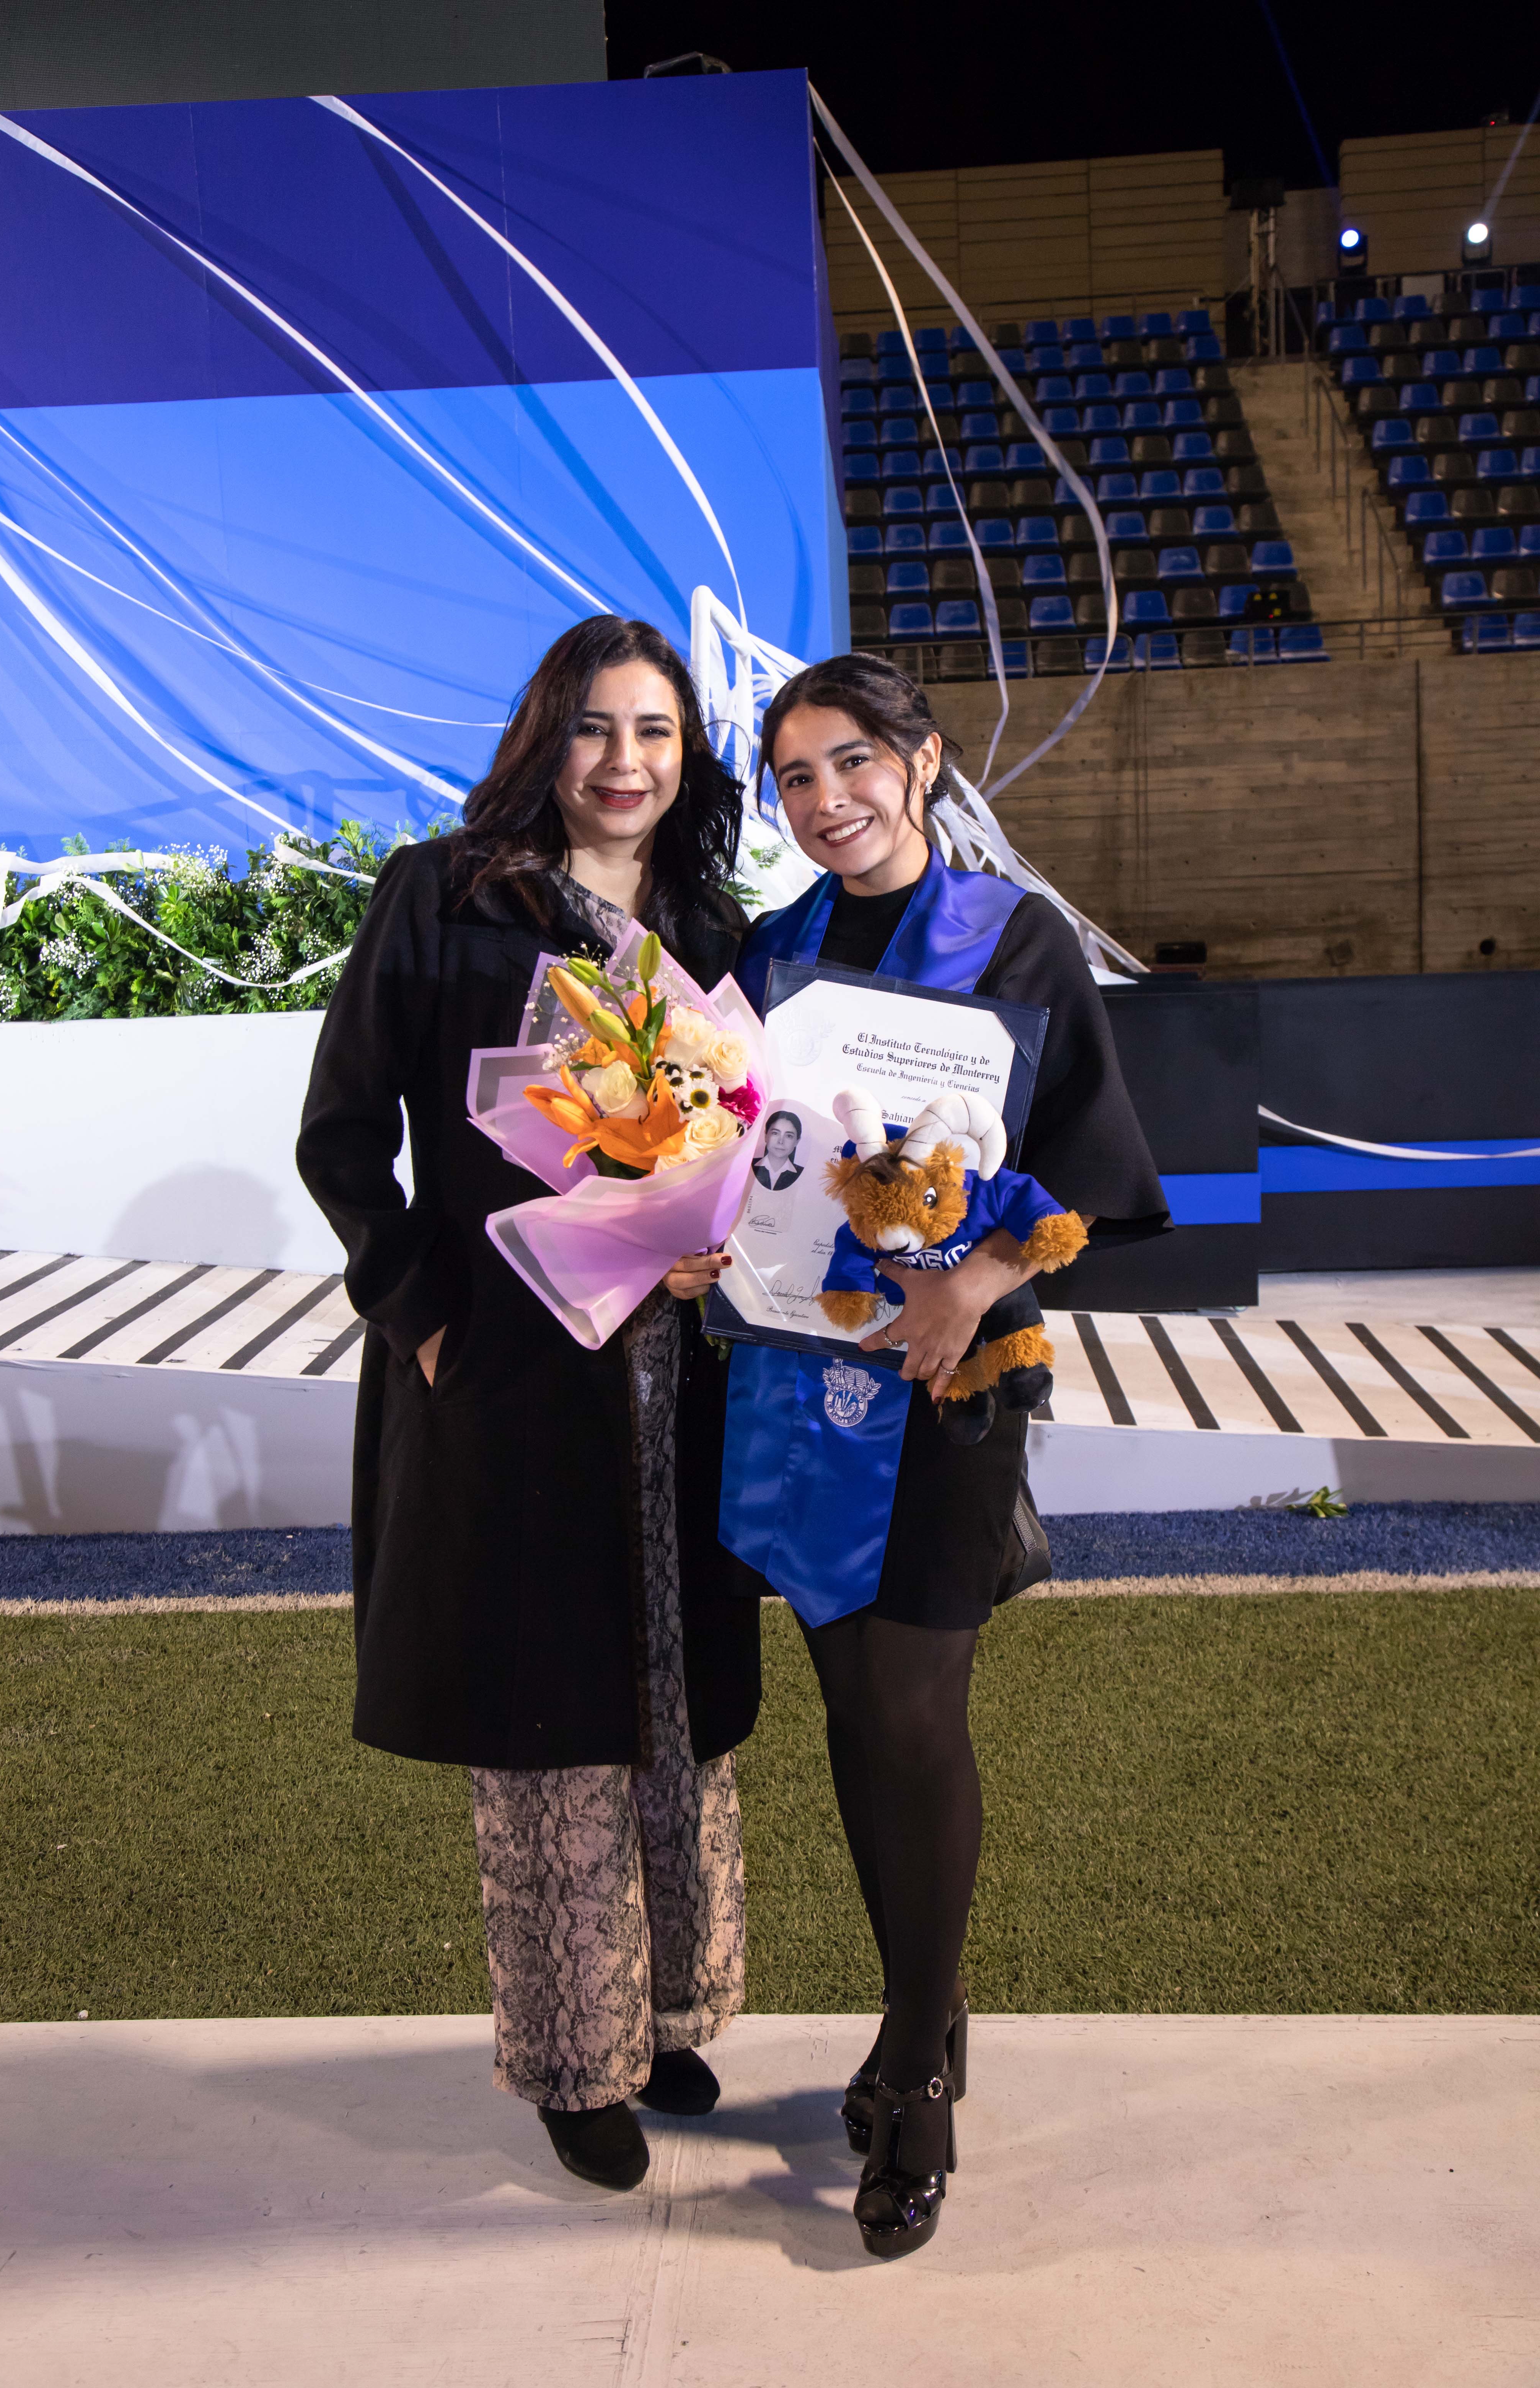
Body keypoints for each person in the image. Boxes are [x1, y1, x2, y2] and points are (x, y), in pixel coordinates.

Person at [297, 617, 758, 2194]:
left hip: (674, 1380)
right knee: (546, 1725)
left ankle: (669, 2013)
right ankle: (575, 2057)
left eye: (656, 732)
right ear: (542, 740)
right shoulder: (445, 897)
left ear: (688, 756)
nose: (625, 762)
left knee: (673, 1709)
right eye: (594, 729)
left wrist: (728, 1254)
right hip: (513, 1375)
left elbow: (743, 1147)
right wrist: (426, 1317)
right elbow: (343, 1136)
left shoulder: (710, 922)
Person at [723, 653, 1168, 2260]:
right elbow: (743, 1163)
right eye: (795, 776)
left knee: (914, 1713)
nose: (826, 799)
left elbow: (1090, 1163)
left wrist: (970, 1285)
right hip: (797, 1389)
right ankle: (931, 2010)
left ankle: (915, 2078)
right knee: (856, 1716)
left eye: (853, 761)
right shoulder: (768, 954)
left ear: (918, 759)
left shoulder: (1013, 934)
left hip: (952, 1389)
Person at [752, 1109, 804, 1191]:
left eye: (789, 1136)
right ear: (766, 1135)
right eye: (775, 1133)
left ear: (797, 1141)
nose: (781, 1142)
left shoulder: (803, 1174)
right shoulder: (749, 1165)